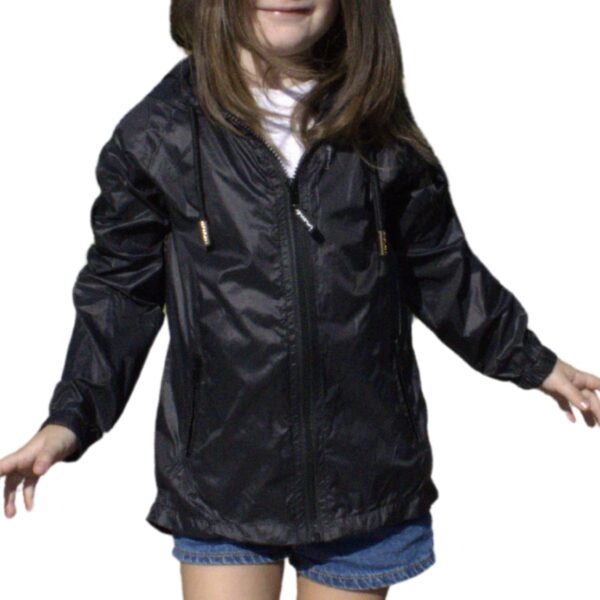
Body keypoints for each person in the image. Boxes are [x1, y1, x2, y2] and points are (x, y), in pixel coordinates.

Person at [1, 1, 599, 599]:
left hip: (362, 479)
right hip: (223, 481)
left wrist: (533, 361)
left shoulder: (374, 123)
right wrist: (71, 418)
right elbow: (119, 291)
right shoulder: (160, 133)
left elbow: (441, 268)